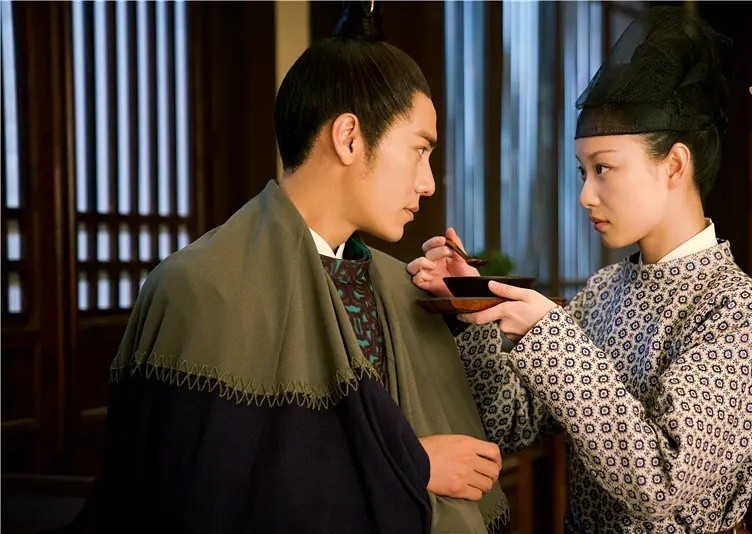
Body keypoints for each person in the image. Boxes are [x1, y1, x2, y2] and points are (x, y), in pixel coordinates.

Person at [78, 2, 508, 532]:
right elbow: (195, 496)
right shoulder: (199, 289)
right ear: (349, 137)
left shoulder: (401, 290)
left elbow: (483, 439)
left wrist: (467, 310)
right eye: (420, 150)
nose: (428, 183)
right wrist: (410, 465)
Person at [408, 6, 752, 533]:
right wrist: (472, 306)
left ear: (675, 165)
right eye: (582, 171)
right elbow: (510, 424)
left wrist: (550, 335)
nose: (586, 195)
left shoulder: (735, 308)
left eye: (604, 168)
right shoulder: (604, 290)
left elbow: (664, 486)